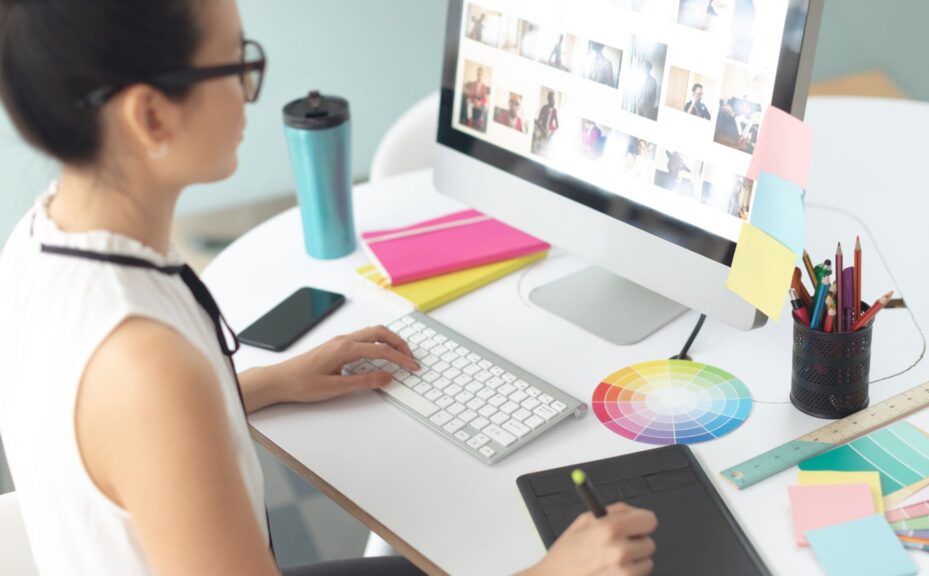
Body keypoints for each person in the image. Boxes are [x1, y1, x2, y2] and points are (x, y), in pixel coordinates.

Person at [0, 1, 658, 576]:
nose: (251, 87)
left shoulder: (39, 241)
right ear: (150, 116)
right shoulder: (147, 365)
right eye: (236, 64)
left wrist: (270, 382)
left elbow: (119, 441)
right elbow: (146, 399)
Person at [463, 66, 489, 130]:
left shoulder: (484, 87)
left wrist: (480, 102)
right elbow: (470, 95)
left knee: (487, 105)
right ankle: (470, 119)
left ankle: (480, 120)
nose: (479, 75)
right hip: (473, 102)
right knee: (468, 101)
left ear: (482, 75)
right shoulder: (473, 84)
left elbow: (484, 98)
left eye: (480, 74)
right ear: (476, 75)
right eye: (478, 74)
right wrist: (474, 101)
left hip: (480, 104)